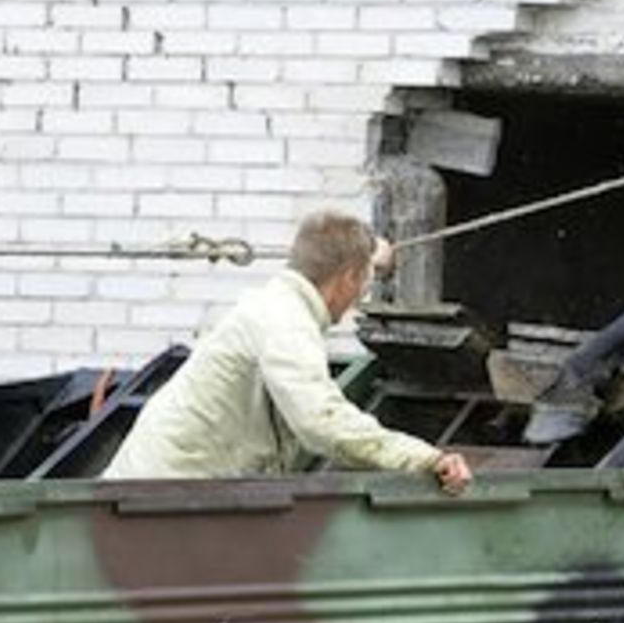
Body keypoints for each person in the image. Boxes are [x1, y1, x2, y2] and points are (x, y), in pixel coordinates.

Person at [104, 210, 472, 494]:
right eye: (364, 282)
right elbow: (321, 423)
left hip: (160, 490)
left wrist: (370, 256)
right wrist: (424, 458)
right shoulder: (287, 322)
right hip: (160, 500)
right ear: (347, 277)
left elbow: (339, 251)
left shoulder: (277, 303)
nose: (362, 295)